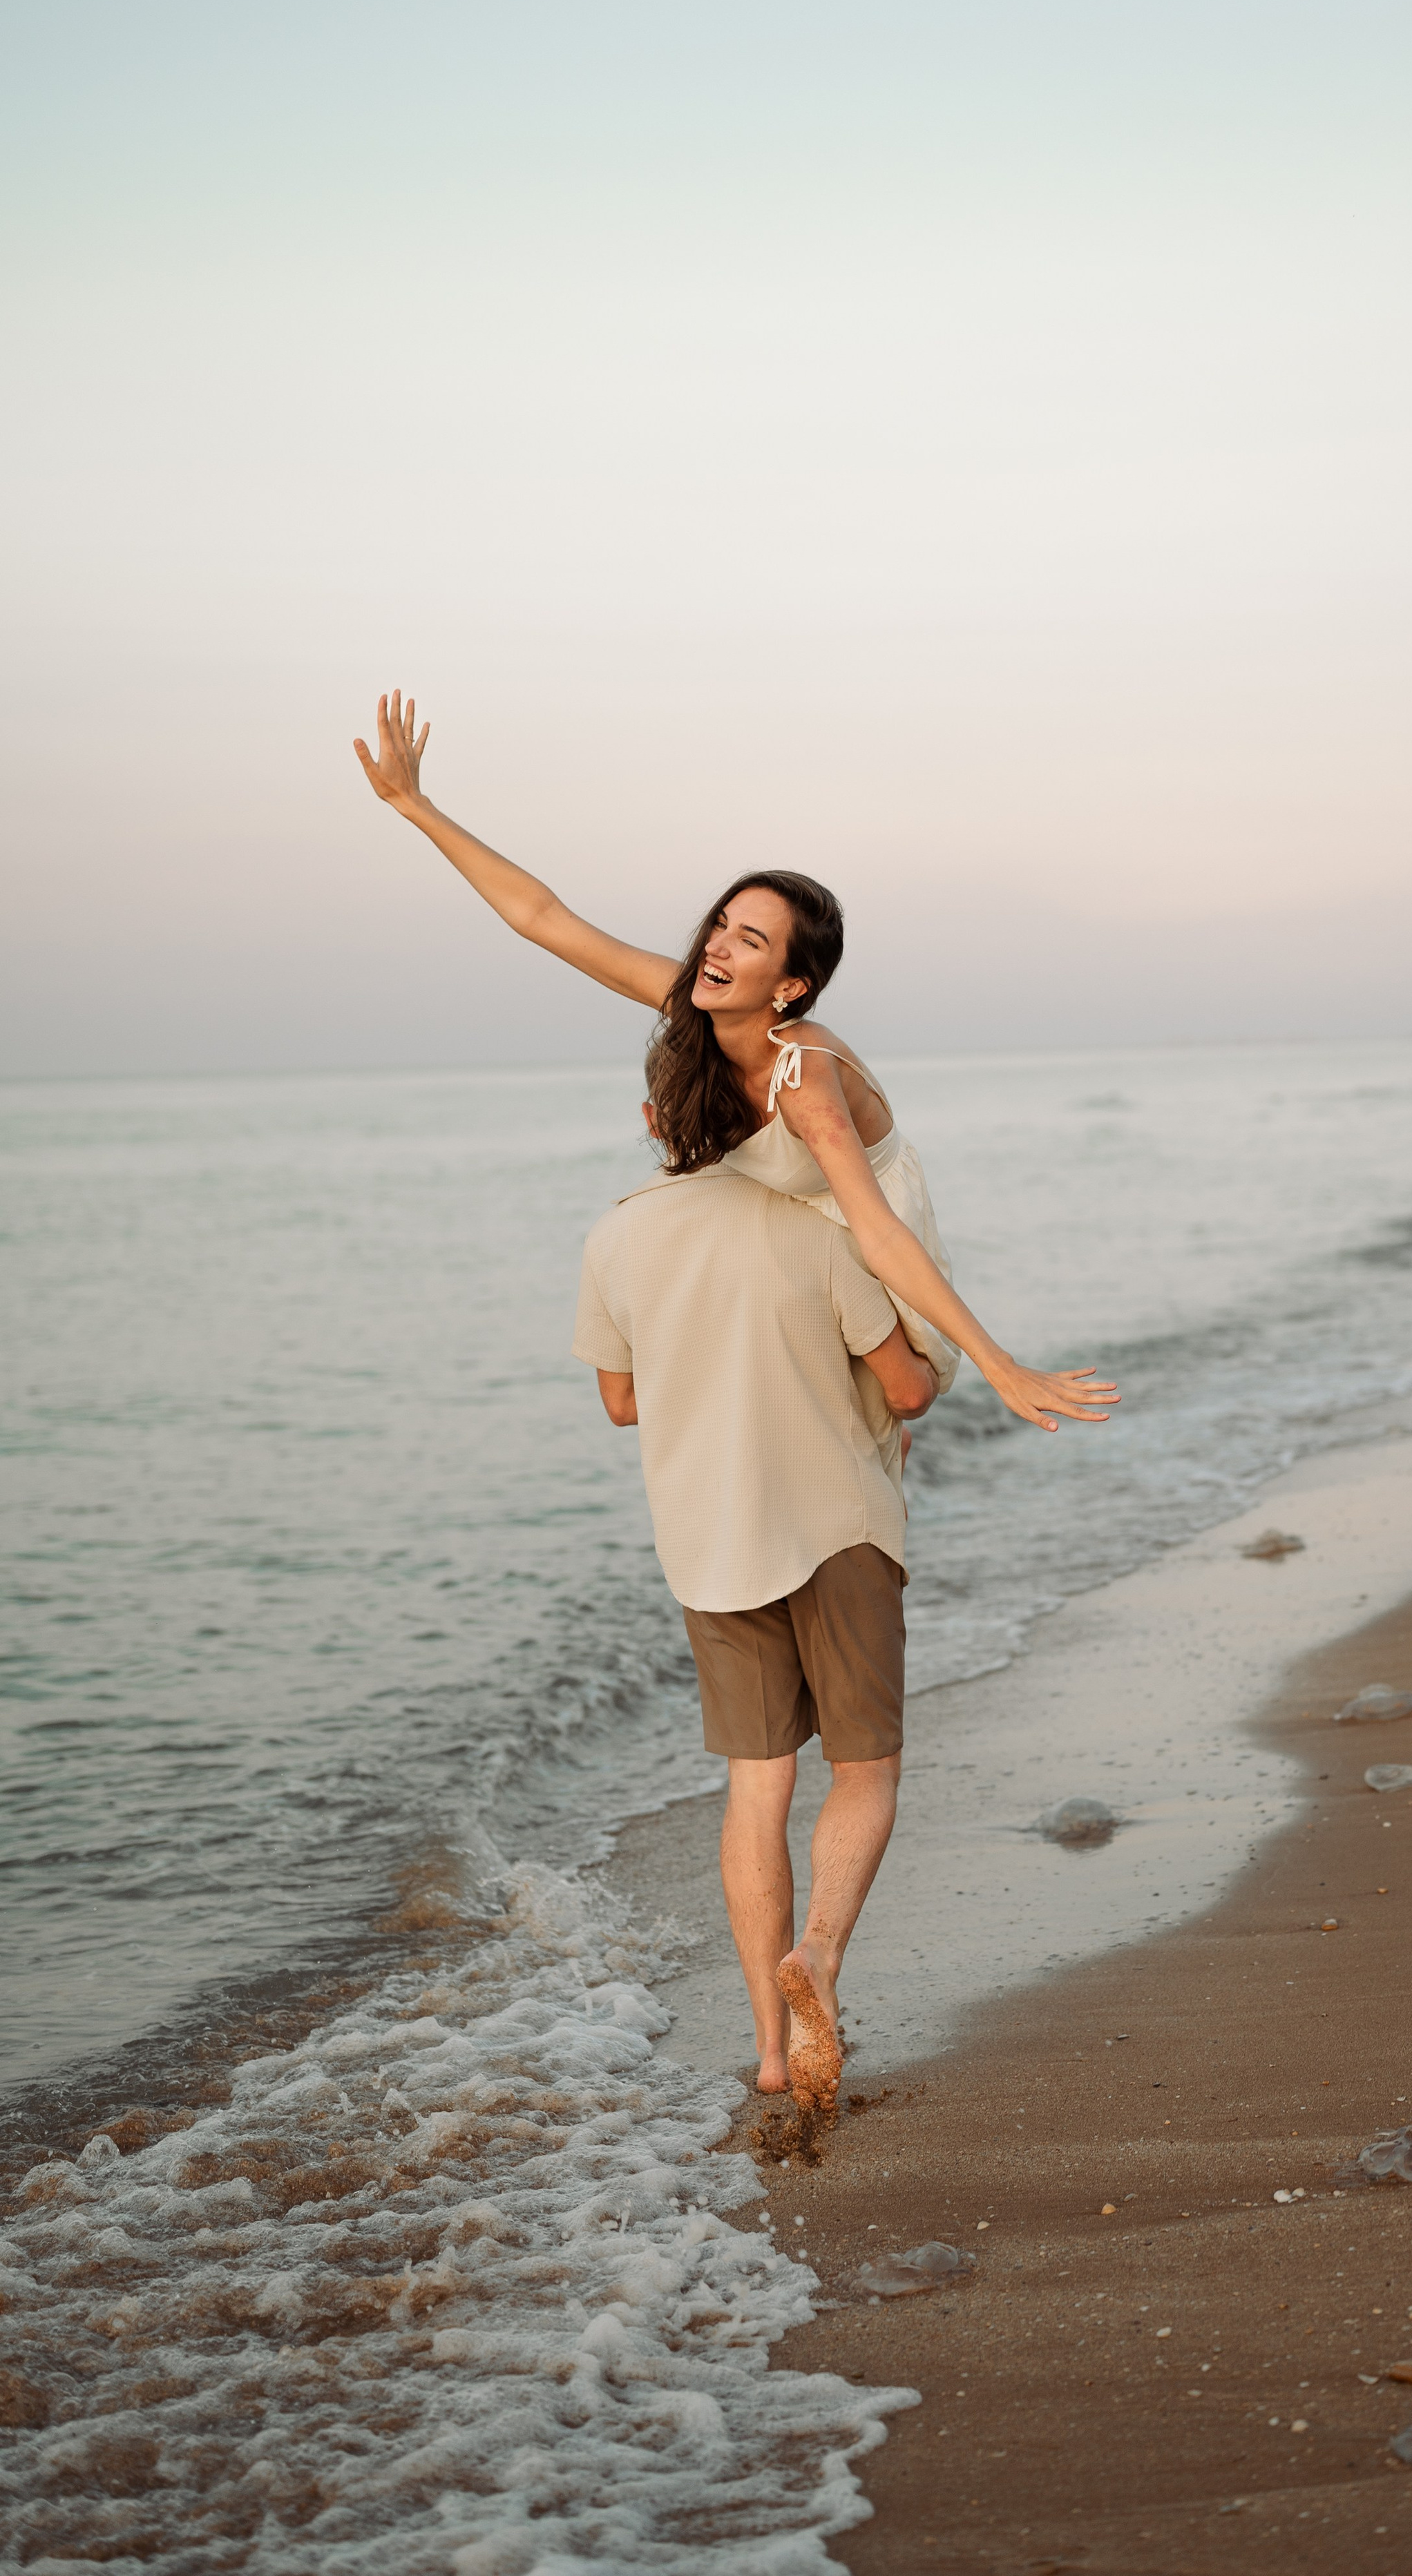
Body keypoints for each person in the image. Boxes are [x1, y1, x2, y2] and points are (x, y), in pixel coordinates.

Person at [352, 691, 1118, 1434]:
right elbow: (544, 918)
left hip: (864, 1231)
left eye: (748, 940)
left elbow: (879, 1234)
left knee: (907, 1398)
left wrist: (1000, 1362)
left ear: (790, 987)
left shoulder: (806, 1076)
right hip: (772, 1217)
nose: (715, 944)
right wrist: (415, 807)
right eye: (722, 923)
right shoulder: (690, 998)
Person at [573, 1128, 938, 2108]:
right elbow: (908, 1388)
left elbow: (620, 1401)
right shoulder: (812, 1227)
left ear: (658, 1124)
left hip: (711, 1541)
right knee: (864, 1769)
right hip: (837, 1525)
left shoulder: (616, 1238)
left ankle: (772, 2055)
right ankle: (816, 1954)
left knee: (757, 1785)